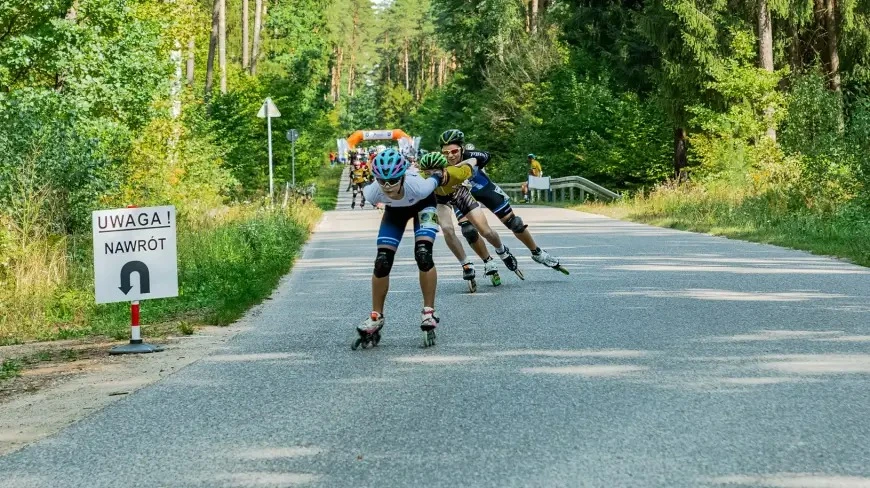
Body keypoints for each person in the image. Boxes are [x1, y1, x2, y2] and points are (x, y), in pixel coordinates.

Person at [439, 129, 567, 275]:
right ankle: (488, 261)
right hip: (460, 195)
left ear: (462, 148)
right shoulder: (440, 163)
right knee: (469, 231)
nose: (450, 155)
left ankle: (537, 252)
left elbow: (487, 156)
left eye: (454, 151)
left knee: (515, 223)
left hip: (483, 188)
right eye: (446, 152)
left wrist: (468, 162)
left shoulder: (471, 155)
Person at [354, 148, 445, 349]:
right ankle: (376, 316)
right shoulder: (372, 192)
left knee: (423, 255)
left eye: (393, 181)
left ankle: (429, 311)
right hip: (394, 213)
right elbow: (378, 190)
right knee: (382, 262)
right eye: (382, 181)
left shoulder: (419, 186)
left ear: (402, 176)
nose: (387, 186)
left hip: (424, 204)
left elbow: (438, 176)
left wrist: (441, 173)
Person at [417, 152, 517, 291]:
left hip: (459, 194)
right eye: (428, 173)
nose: (432, 175)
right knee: (447, 229)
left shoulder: (457, 172)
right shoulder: (420, 178)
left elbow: (473, 160)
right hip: (439, 199)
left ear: (444, 169)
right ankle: (466, 264)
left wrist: (465, 162)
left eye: (436, 171)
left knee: (485, 231)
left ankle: (502, 251)